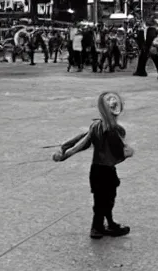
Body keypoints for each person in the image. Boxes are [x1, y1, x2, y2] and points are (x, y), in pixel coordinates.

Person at [52, 92, 134, 239]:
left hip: (97, 169)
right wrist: (128, 152)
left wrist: (65, 151)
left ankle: (107, 223)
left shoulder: (96, 126)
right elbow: (122, 151)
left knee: (103, 199)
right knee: (106, 199)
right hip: (106, 169)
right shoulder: (114, 130)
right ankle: (97, 228)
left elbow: (81, 142)